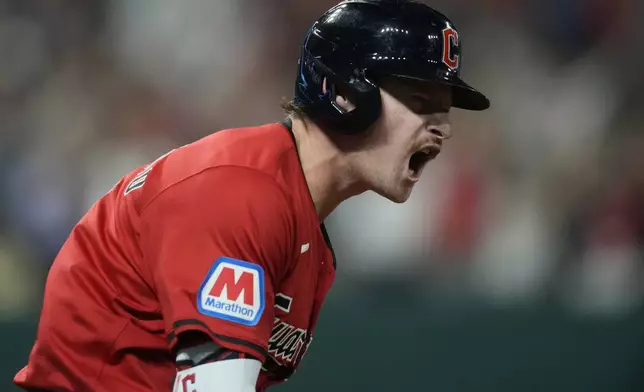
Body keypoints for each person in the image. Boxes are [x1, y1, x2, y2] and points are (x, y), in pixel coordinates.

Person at [14, 0, 489, 391]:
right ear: (345, 92)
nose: (442, 128)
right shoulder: (239, 190)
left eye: (444, 111)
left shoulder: (306, 232)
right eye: (420, 102)